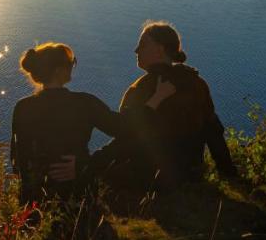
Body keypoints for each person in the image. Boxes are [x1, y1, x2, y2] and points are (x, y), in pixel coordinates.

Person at [10, 42, 172, 204]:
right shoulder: (84, 103)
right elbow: (126, 129)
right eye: (71, 63)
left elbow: (17, 157)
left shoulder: (22, 107)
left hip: (33, 200)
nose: (73, 66)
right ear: (59, 71)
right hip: (77, 195)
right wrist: (156, 99)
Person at [122, 21, 239, 186]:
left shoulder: (141, 88)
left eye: (142, 45)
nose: (136, 50)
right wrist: (228, 171)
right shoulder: (197, 83)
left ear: (159, 50)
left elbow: (123, 130)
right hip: (191, 174)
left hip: (152, 177)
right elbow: (213, 130)